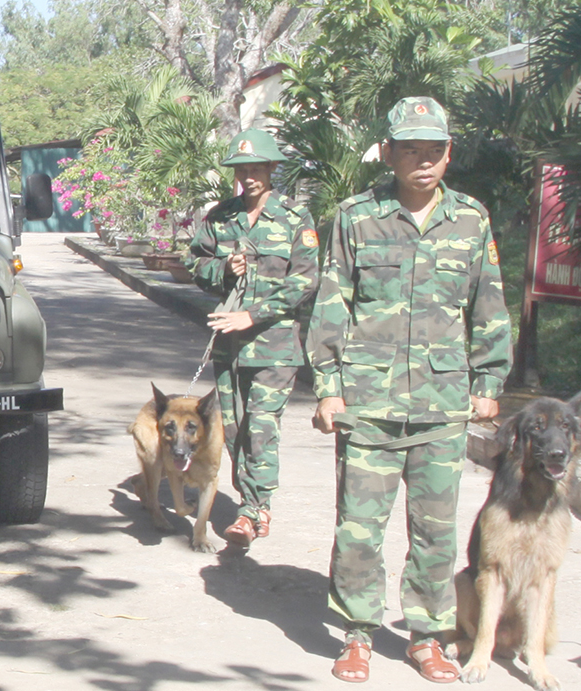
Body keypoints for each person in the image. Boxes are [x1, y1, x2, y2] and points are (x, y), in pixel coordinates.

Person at [306, 97, 513, 683]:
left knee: (436, 529)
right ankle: (357, 632)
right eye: (411, 149)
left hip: (442, 406)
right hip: (367, 403)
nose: (423, 160)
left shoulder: (471, 219)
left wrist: (490, 379)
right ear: (389, 152)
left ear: (449, 154)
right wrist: (328, 386)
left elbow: (489, 303)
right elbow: (331, 303)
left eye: (434, 149)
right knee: (358, 528)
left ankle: (427, 636)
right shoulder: (356, 217)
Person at [185, 128, 319, 548]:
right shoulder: (221, 218)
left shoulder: (296, 219)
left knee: (261, 428)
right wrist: (224, 268)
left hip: (275, 347)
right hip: (229, 347)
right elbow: (194, 263)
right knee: (236, 428)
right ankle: (252, 500)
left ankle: (253, 509)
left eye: (258, 167)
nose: (251, 176)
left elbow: (306, 281)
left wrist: (252, 314)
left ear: (273, 168)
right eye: (244, 169)